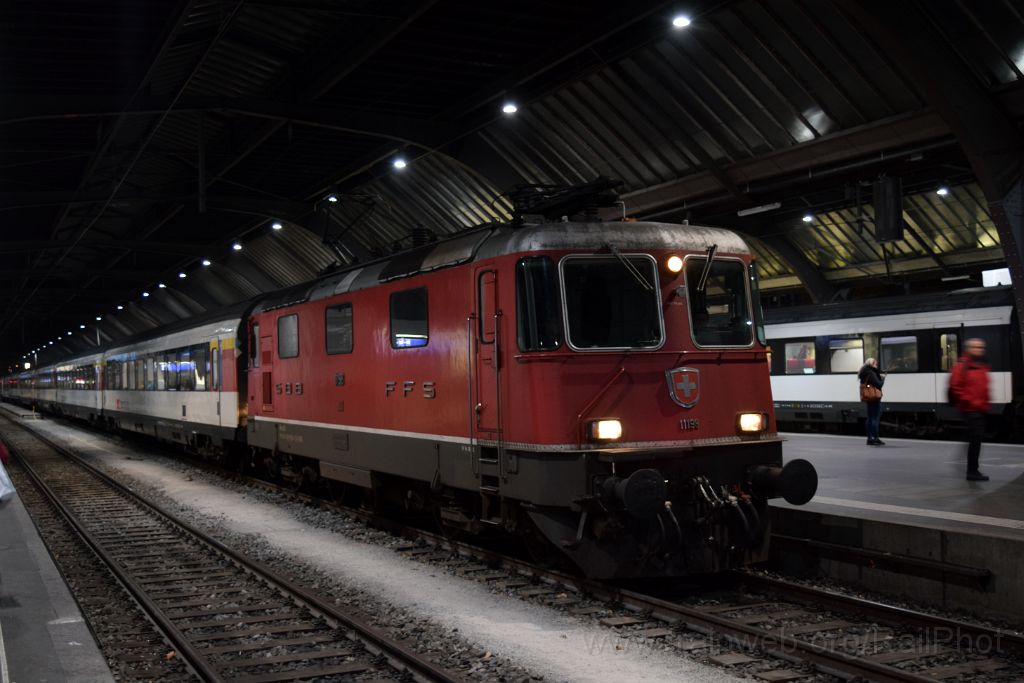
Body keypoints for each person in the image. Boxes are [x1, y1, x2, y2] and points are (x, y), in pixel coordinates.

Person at [949, 338, 990, 481]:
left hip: (980, 408)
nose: (980, 350)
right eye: (976, 347)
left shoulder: (980, 365)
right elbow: (956, 387)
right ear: (969, 349)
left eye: (981, 347)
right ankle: (972, 471)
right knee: (975, 439)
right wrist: (970, 401)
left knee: (974, 439)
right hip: (971, 408)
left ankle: (971, 469)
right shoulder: (962, 366)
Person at [858, 358, 885, 445]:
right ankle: (875, 438)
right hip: (874, 397)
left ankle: (869, 438)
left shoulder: (864, 372)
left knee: (869, 417)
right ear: (872, 364)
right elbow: (879, 384)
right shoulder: (871, 372)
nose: (876, 365)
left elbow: (867, 384)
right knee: (875, 418)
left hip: (868, 397)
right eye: (875, 363)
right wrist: (882, 378)